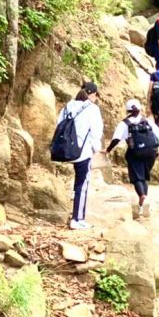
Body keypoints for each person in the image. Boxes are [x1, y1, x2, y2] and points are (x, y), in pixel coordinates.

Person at [106, 99, 159, 218]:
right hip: (151, 153)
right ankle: (143, 204)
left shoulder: (124, 123)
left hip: (135, 153)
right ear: (140, 109)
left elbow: (116, 139)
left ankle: (142, 196)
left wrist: (108, 150)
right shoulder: (147, 121)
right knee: (145, 176)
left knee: (136, 178)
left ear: (128, 111)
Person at [57, 82, 103, 230]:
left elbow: (59, 124)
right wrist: (96, 149)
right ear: (93, 94)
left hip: (65, 150)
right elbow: (96, 132)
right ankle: (77, 219)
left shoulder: (68, 106)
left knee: (78, 184)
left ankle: (75, 210)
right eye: (96, 96)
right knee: (82, 184)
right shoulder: (92, 108)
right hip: (82, 152)